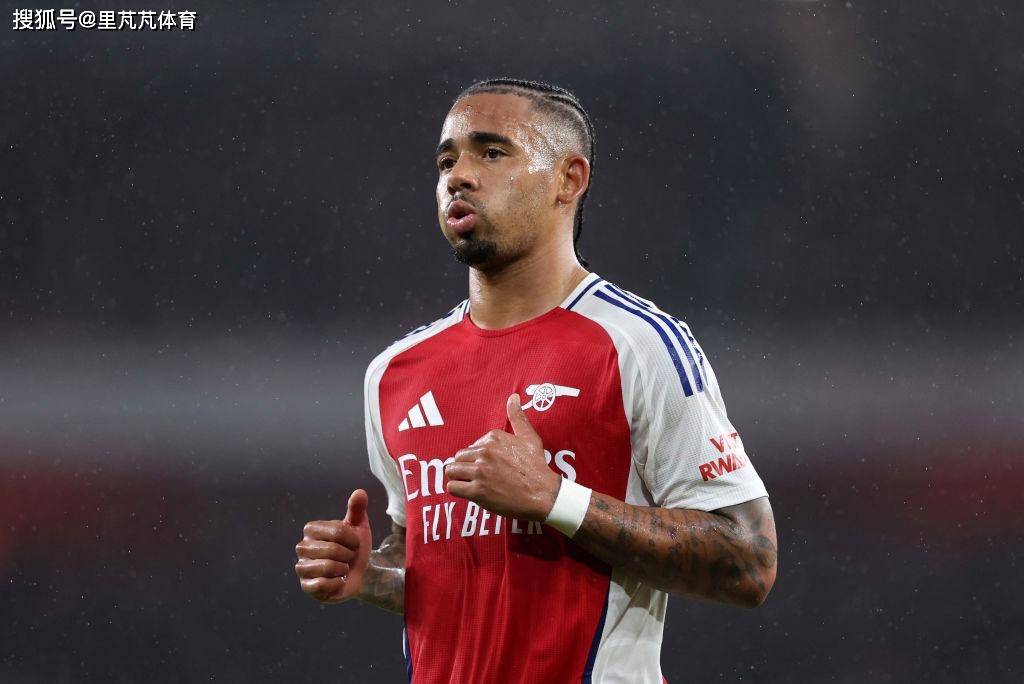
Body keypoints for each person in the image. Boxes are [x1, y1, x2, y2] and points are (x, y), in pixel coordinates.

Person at [295, 78, 777, 683]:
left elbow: (748, 561)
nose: (458, 176)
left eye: (492, 153)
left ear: (568, 180)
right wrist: (371, 575)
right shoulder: (395, 372)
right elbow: (436, 568)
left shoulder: (640, 345)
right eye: (446, 161)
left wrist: (555, 498)